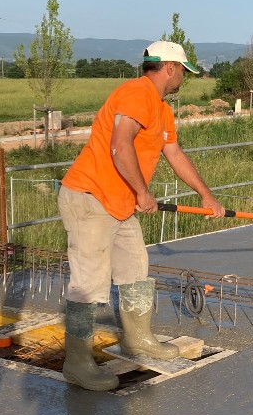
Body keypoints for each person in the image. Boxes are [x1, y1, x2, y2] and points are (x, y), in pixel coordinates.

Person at [58, 41, 225, 390]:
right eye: (182, 70)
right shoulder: (136, 93)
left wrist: (206, 196)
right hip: (91, 198)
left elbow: (174, 152)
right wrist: (142, 192)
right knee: (88, 284)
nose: (183, 77)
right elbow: (120, 146)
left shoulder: (161, 108)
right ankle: (76, 363)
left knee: (135, 268)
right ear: (169, 68)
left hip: (118, 203)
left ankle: (138, 340)